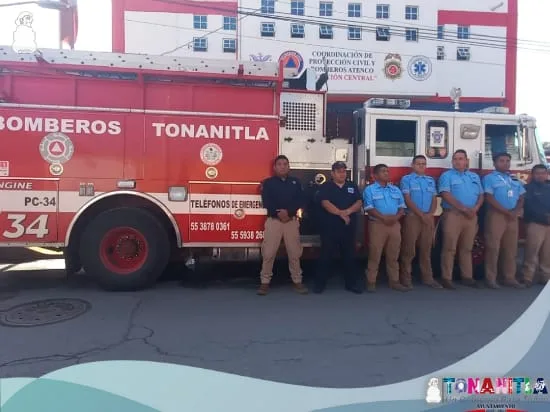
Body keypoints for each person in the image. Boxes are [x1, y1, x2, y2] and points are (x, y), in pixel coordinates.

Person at [258, 155, 308, 295]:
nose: (282, 166)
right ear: (274, 167)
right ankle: (264, 282)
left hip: (291, 221)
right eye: (279, 164)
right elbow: (267, 201)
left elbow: (301, 200)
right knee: (268, 253)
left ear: (289, 167)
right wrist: (278, 212)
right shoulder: (268, 183)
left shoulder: (295, 182)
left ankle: (297, 281)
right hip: (274, 221)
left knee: (294, 253)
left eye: (285, 164)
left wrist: (289, 212)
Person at [313, 161, 363, 294]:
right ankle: (319, 285)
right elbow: (325, 203)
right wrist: (341, 213)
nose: (342, 173)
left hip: (348, 227)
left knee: (349, 256)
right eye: (339, 171)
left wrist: (347, 212)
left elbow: (359, 202)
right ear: (332, 173)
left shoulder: (351, 185)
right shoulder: (326, 186)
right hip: (330, 227)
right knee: (325, 256)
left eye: (344, 171)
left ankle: (351, 284)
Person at [437, 149, 484, 289]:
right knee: (449, 247)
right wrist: (463, 209)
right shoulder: (447, 176)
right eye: (455, 159)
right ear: (452, 161)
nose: (458, 161)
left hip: (471, 216)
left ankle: (467, 277)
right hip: (454, 215)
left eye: (461, 158)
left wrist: (475, 209)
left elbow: (481, 195)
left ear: (466, 161)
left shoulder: (474, 177)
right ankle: (446, 278)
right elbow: (445, 194)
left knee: (467, 248)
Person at [482, 152, 525, 289]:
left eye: (507, 160)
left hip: (513, 217)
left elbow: (522, 197)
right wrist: (506, 212)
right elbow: (489, 197)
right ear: (494, 163)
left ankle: (509, 277)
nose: (505, 163)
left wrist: (516, 211)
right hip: (497, 216)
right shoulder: (489, 178)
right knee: (493, 248)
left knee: (511, 249)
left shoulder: (514, 179)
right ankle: (491, 279)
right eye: (502, 161)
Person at [363, 164, 409, 292]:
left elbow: (401, 207)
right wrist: (383, 218)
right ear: (375, 175)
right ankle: (371, 281)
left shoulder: (395, 189)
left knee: (393, 255)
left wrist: (396, 217)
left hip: (394, 224)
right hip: (378, 224)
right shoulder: (370, 190)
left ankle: (394, 281)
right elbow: (369, 208)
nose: (386, 173)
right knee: (375, 254)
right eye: (383, 171)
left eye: (387, 171)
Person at [399, 155, 442, 289]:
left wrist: (430, 214)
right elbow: (407, 199)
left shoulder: (430, 180)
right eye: (418, 164)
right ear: (412, 165)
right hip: (413, 217)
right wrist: (420, 214)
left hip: (427, 218)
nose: (421, 166)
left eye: (423, 164)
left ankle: (428, 278)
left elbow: (434, 198)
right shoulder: (407, 179)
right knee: (409, 249)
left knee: (426, 249)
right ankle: (406, 278)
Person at [521, 164, 550, 287]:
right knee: (531, 252)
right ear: (532, 175)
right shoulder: (527, 189)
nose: (541, 175)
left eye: (543, 173)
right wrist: (544, 216)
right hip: (535, 223)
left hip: (548, 225)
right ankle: (527, 278)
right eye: (538, 173)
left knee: (547, 253)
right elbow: (529, 207)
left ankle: (545, 277)